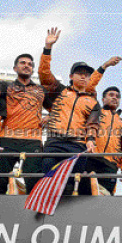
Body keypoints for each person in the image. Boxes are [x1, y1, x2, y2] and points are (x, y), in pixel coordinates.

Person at [0, 37, 53, 194]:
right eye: (23, 63)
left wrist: (50, 117)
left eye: (30, 64)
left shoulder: (40, 90)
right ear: (15, 68)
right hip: (7, 139)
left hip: (32, 141)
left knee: (34, 182)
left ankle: (32, 215)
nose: (27, 66)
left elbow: (57, 109)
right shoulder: (5, 85)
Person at [37, 28, 101, 192]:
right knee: (48, 180)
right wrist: (47, 47)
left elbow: (92, 125)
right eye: (79, 73)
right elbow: (44, 75)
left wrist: (91, 140)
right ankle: (44, 209)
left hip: (77, 145)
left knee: (71, 184)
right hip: (55, 142)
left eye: (86, 74)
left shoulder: (93, 102)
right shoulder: (60, 90)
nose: (83, 76)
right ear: (71, 76)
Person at [78, 86, 122, 195]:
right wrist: (89, 141)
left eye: (117, 97)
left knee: (106, 195)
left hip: (110, 165)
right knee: (84, 194)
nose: (115, 98)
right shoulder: (95, 113)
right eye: (111, 95)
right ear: (103, 99)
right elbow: (90, 128)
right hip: (91, 158)